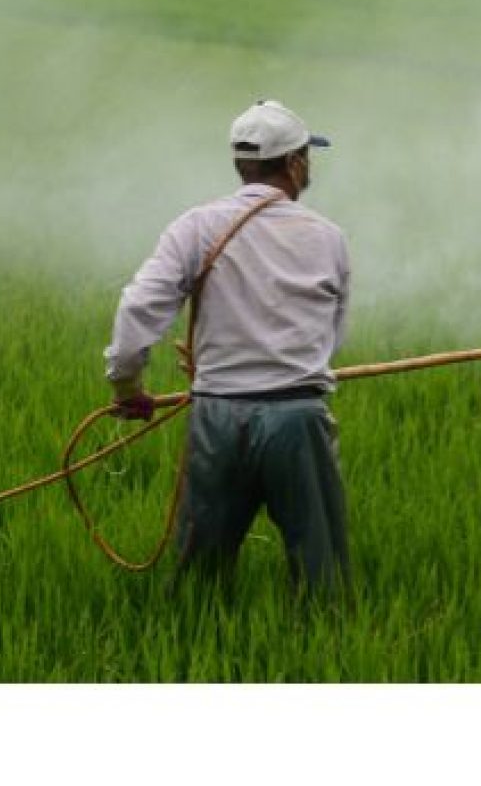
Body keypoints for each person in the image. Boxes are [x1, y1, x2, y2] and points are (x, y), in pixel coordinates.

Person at [103, 98, 351, 595]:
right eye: (309, 157)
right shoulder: (327, 238)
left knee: (201, 580)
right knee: (322, 577)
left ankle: (194, 644)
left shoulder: (195, 226)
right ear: (296, 163)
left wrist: (127, 387)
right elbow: (331, 335)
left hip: (218, 417)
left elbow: (137, 310)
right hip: (298, 417)